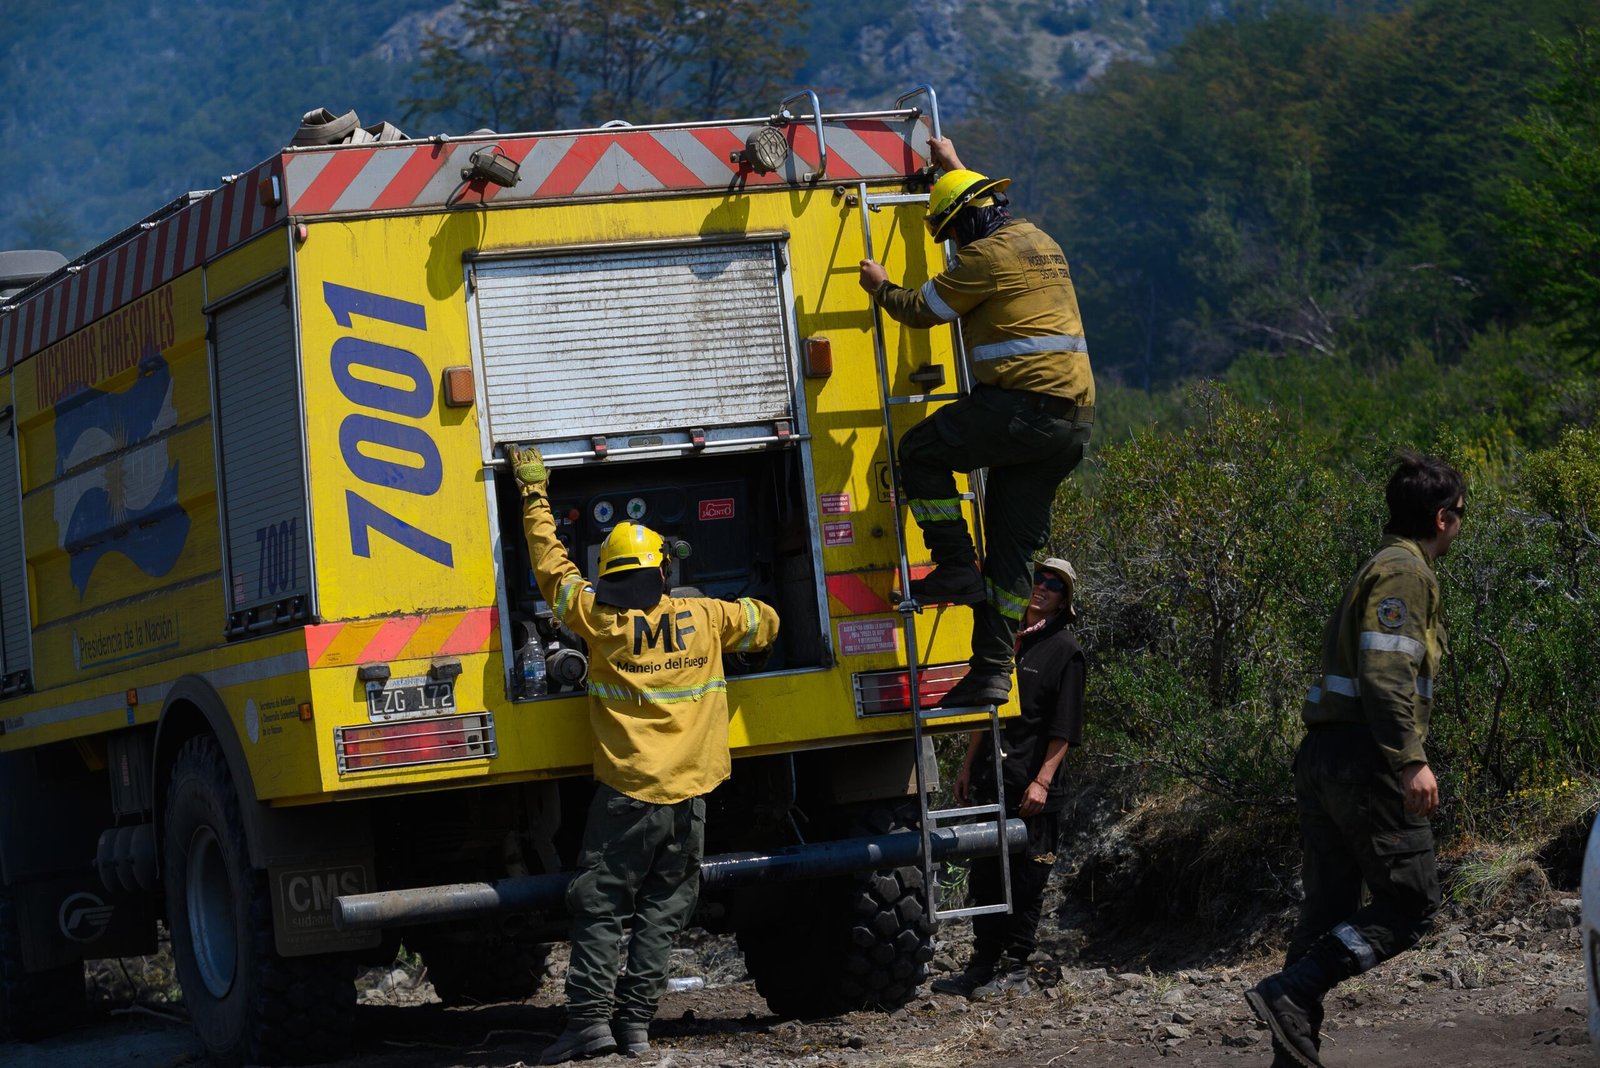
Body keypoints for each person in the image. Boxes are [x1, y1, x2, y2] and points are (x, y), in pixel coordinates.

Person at [506, 445, 780, 1064]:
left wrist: (534, 493)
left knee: (601, 907)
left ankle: (589, 1024)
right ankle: (634, 1027)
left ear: (609, 576)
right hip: (691, 800)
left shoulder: (597, 620)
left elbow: (552, 567)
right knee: (662, 914)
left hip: (627, 799)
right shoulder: (706, 615)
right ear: (662, 575)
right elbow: (764, 621)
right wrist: (750, 626)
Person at [858, 135, 1094, 710]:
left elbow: (922, 311)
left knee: (920, 451)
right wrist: (955, 168)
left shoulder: (983, 258)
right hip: (1070, 426)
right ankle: (990, 674)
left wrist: (881, 287)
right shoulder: (1040, 240)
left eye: (952, 233)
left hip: (1021, 410)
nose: (954, 245)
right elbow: (979, 201)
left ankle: (955, 565)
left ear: (966, 225)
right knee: (1012, 557)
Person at [1247, 452, 1465, 1068]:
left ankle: (1292, 1052)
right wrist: (1411, 759)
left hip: (1328, 756)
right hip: (1365, 760)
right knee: (1411, 903)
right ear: (1442, 517)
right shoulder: (1405, 572)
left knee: (1327, 911)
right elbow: (1387, 672)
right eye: (1460, 515)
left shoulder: (1379, 565)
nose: (1460, 526)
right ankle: (1293, 992)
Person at [933, 556, 1086, 1000]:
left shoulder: (1066, 650)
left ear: (1064, 600)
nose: (1042, 587)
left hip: (1033, 788)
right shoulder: (1004, 640)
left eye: (1053, 585)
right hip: (991, 779)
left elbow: (1064, 729)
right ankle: (981, 967)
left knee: (1026, 881)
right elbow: (986, 710)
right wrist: (967, 766)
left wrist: (1042, 782)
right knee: (985, 877)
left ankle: (1016, 970)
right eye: (1037, 578)